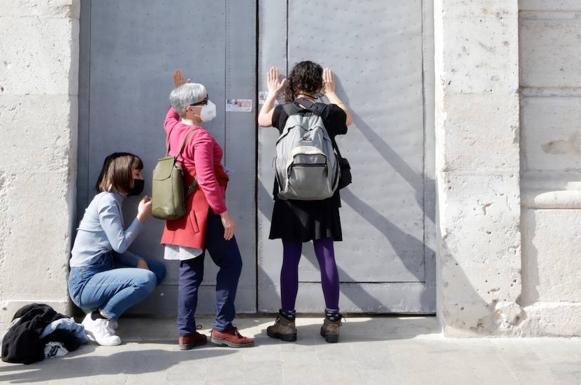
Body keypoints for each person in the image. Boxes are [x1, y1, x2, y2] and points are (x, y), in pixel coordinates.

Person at [257, 61, 353, 343]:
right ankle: (333, 321)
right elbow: (347, 118)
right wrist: (332, 93)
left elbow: (262, 119)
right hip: (323, 194)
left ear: (294, 85)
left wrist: (273, 92)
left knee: (291, 257)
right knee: (326, 255)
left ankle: (287, 321)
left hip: (290, 195)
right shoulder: (327, 112)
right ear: (318, 86)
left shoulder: (284, 111)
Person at [161, 69, 254, 350]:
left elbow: (169, 116)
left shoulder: (174, 129)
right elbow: (207, 179)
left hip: (182, 213)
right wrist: (224, 214)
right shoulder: (200, 138)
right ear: (190, 109)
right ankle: (223, 328)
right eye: (204, 101)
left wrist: (178, 93)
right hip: (206, 213)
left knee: (190, 271)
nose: (208, 104)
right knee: (231, 263)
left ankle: (186, 332)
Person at [68, 152, 166, 346]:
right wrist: (141, 217)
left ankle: (108, 313)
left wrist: (136, 261)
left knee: (157, 270)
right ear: (122, 173)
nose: (141, 178)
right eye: (137, 174)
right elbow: (119, 244)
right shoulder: (107, 201)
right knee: (146, 279)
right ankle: (99, 319)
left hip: (103, 268)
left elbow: (113, 250)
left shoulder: (114, 200)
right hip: (85, 282)